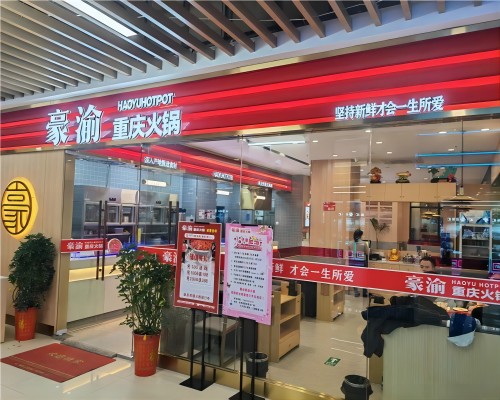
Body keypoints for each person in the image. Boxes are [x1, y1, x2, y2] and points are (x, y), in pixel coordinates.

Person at [352, 229, 368, 298]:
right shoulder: (364, 243)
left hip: (353, 262)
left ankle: (356, 292)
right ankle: (364, 293)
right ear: (361, 235)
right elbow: (367, 252)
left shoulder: (351, 244)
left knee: (354, 277)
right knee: (364, 277)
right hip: (362, 262)